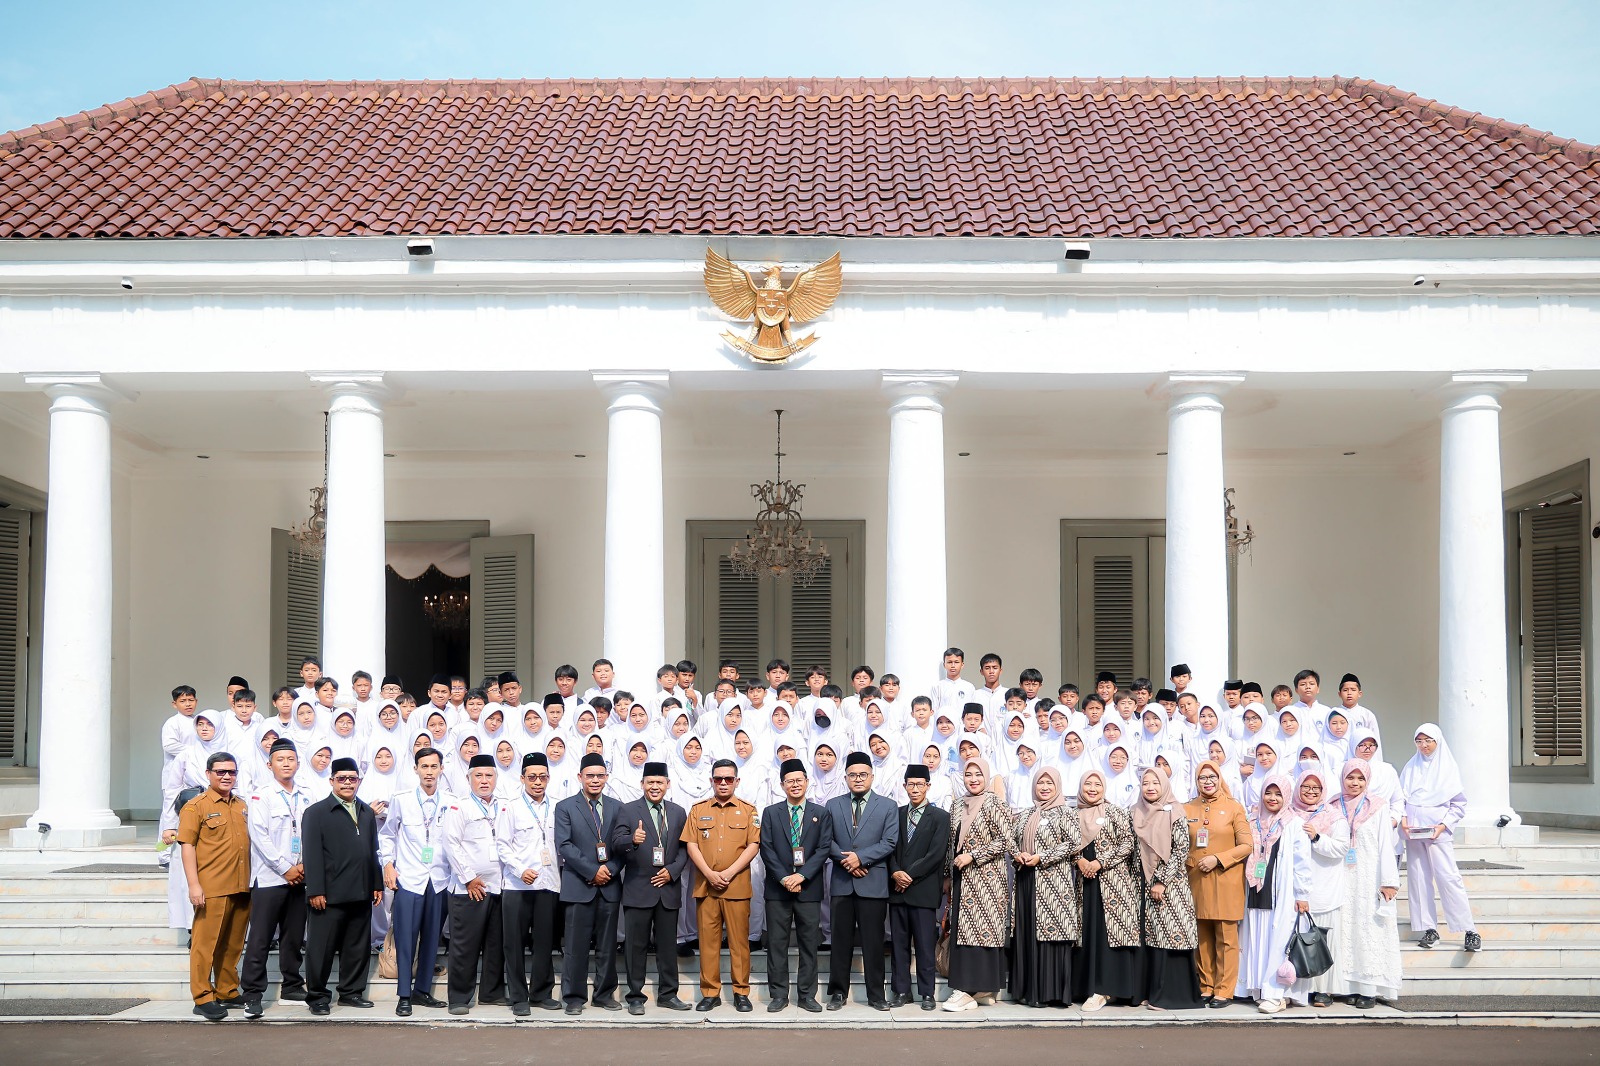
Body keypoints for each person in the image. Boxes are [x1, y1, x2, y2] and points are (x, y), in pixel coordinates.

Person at [609, 759, 694, 1015]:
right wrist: (632, 840)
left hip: (668, 889)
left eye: (659, 782)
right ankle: (635, 997)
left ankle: (669, 994)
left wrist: (672, 871)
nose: (654, 787)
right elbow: (616, 843)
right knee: (635, 947)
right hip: (638, 889)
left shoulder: (678, 812)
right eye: (650, 782)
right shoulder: (627, 810)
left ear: (668, 784)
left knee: (668, 947)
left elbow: (684, 849)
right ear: (642, 783)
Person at [301, 756, 383, 1015]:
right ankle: (317, 996)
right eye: (342, 778)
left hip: (361, 891)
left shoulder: (366, 812)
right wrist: (315, 889)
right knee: (321, 948)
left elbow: (373, 851)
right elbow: (311, 853)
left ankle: (351, 992)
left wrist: (377, 883)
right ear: (332, 781)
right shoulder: (316, 812)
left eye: (352, 778)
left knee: (357, 946)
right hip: (329, 895)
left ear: (358, 781)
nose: (347, 783)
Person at [177, 748, 252, 1021]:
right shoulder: (196, 806)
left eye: (231, 772)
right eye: (220, 772)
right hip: (212, 887)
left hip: (241, 885)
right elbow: (187, 846)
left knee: (233, 944)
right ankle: (202, 997)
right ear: (208, 774)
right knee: (204, 945)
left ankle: (227, 990)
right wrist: (193, 885)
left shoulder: (242, 805)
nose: (226, 776)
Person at [682, 757, 762, 1012]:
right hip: (706, 887)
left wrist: (728, 872)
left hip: (736, 886)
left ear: (737, 781)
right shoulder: (698, 810)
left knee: (739, 943)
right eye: (719, 779)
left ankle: (741, 992)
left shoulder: (748, 810)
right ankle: (710, 992)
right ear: (712, 781)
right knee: (708, 943)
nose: (723, 783)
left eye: (728, 779)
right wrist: (709, 873)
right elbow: (691, 844)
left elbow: (753, 845)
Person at [240, 737, 311, 1016]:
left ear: (298, 763)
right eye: (280, 760)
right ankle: (252, 994)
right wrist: (285, 868)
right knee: (260, 937)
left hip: (299, 877)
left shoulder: (306, 795)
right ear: (270, 765)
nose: (286, 764)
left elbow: (309, 833)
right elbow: (259, 836)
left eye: (290, 759)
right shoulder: (262, 795)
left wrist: (303, 865)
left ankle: (292, 986)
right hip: (270, 878)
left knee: (294, 936)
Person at [823, 751, 899, 1011]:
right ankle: (837, 993)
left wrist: (861, 859)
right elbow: (826, 840)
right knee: (840, 942)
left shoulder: (887, 806)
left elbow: (889, 842)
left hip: (872, 883)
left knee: (874, 943)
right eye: (853, 775)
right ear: (845, 777)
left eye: (863, 774)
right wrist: (848, 861)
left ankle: (876, 995)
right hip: (842, 883)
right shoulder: (833, 805)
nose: (858, 779)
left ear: (872, 776)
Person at [379, 744, 450, 1016]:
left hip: (439, 879)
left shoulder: (451, 801)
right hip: (409, 878)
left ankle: (422, 991)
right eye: (424, 766)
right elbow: (387, 834)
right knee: (406, 937)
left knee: (432, 938)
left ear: (441, 769)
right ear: (416, 769)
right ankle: (404, 995)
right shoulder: (402, 799)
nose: (429, 772)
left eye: (434, 766)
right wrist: (388, 864)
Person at [759, 756, 833, 1013]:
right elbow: (766, 849)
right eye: (789, 781)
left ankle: (806, 995)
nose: (794, 785)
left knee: (808, 944)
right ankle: (778, 994)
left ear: (807, 781)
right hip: (777, 889)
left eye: (799, 780)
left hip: (808, 888)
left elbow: (823, 849)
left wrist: (801, 876)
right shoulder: (771, 813)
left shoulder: (820, 813)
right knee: (776, 943)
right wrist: (784, 878)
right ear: (782, 785)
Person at [1400, 723, 1481, 953]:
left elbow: (1459, 805)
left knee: (1448, 877)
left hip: (1438, 833)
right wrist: (1404, 820)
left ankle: (1469, 930)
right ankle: (1428, 928)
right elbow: (1401, 799)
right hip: (1413, 833)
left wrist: (1443, 826)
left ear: (1438, 741)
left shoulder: (1448, 767)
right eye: (1419, 741)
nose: (1424, 745)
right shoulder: (1410, 766)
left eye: (1428, 741)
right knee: (1418, 878)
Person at [1234, 771, 1312, 1013]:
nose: (1272, 798)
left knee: (1277, 942)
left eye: (1278, 793)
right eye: (1268, 792)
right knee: (1257, 938)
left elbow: (1302, 861)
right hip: (1255, 891)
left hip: (1281, 893)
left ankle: (1276, 994)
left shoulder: (1294, 823)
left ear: (1286, 796)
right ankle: (1258, 988)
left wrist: (1302, 894)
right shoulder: (1252, 821)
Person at [941, 757, 1014, 1013]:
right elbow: (951, 843)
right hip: (962, 878)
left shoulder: (995, 803)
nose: (973, 779)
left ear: (986, 777)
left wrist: (974, 855)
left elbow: (1006, 840)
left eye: (978, 774)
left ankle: (970, 990)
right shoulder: (957, 804)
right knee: (963, 931)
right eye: (968, 774)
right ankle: (979, 991)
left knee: (983, 931)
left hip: (987, 879)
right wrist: (947, 874)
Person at [496, 751, 565, 1016]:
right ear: (522, 778)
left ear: (549, 778)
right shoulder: (510, 807)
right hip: (518, 885)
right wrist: (519, 869)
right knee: (514, 943)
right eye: (532, 777)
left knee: (544, 941)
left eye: (542, 777)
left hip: (548, 883)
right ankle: (518, 996)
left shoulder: (557, 806)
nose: (537, 782)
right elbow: (502, 844)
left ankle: (541, 993)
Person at [555, 751, 624, 1014]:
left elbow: (622, 847)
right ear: (580, 777)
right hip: (578, 885)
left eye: (599, 776)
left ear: (606, 777)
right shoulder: (565, 807)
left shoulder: (617, 807)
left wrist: (610, 870)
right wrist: (593, 871)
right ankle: (574, 997)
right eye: (590, 776)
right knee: (576, 946)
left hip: (609, 886)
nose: (595, 780)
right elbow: (564, 845)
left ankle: (604, 994)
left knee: (607, 946)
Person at [1008, 765, 1081, 1009]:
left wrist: (1043, 856)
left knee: (1051, 935)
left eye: (1050, 783)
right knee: (1028, 933)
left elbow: (1073, 843)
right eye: (1041, 782)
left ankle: (1051, 993)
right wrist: (1017, 854)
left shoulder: (1065, 812)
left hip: (1053, 883)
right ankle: (1029, 991)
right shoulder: (1026, 814)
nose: (1045, 787)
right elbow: (1012, 841)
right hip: (1027, 879)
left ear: (1057, 786)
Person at [1070, 769, 1142, 1011]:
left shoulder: (1115, 812)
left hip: (1113, 882)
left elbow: (1128, 843)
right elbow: (1067, 843)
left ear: (1104, 788)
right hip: (1085, 881)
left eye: (1097, 784)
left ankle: (1106, 988)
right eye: (1088, 784)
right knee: (1088, 933)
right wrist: (1079, 860)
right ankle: (1087, 987)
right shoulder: (1073, 814)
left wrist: (1100, 862)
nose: (1092, 789)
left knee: (1109, 932)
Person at [441, 753, 508, 1015]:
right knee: (465, 945)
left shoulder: (504, 806)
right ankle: (459, 997)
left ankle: (492, 993)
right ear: (469, 778)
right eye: (478, 775)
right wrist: (468, 877)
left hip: (499, 886)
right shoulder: (459, 807)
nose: (484, 780)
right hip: (469, 888)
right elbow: (451, 844)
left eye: (489, 775)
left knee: (495, 943)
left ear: (496, 778)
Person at [1184, 759, 1253, 1008]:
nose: (1208, 782)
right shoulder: (1187, 808)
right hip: (1197, 879)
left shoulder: (1234, 807)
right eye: (1202, 777)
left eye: (1212, 777)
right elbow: (1179, 843)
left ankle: (1225, 989)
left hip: (1226, 879)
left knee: (1226, 937)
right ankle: (1206, 986)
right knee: (1202, 936)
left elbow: (1246, 845)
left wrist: (1218, 859)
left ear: (1220, 778)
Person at [1133, 767, 1202, 1011]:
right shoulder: (1136, 811)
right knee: (1150, 939)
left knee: (1171, 937)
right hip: (1142, 884)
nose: (1150, 787)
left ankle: (1171, 996)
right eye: (1145, 783)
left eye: (1155, 782)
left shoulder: (1176, 811)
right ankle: (1151, 992)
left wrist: (1162, 881)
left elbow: (1181, 850)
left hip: (1171, 887)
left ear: (1164, 785)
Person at [1337, 759, 1403, 1007]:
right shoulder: (1334, 804)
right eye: (1350, 777)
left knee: (1369, 929)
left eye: (1360, 778)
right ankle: (1348, 987)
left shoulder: (1378, 807)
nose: (1355, 783)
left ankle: (1369, 989)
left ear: (1368, 781)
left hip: (1369, 876)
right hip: (1341, 877)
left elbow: (1386, 844)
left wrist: (1389, 881)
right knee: (1346, 930)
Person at [889, 764, 951, 1010]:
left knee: (925, 945)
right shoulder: (896, 814)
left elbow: (936, 854)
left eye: (920, 784)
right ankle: (901, 991)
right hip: (897, 890)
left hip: (923, 890)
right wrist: (895, 872)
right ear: (904, 786)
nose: (915, 789)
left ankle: (927, 993)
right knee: (899, 945)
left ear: (928, 786)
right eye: (911, 784)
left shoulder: (940, 817)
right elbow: (888, 847)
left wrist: (908, 876)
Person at [1289, 766, 1352, 1008]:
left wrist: (1316, 838)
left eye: (1316, 788)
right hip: (1295, 886)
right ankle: (1299, 988)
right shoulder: (1289, 814)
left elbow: (1342, 848)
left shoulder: (1334, 816)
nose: (1310, 791)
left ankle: (1324, 990)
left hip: (1324, 885)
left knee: (1322, 939)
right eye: (1306, 786)